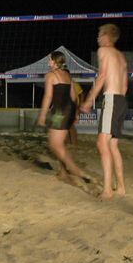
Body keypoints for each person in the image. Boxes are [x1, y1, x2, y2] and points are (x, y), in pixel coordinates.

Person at [80, 23, 129, 200]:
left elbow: (102, 77)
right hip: (122, 100)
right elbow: (125, 84)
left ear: (107, 36)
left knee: (102, 143)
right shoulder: (121, 56)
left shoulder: (104, 51)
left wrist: (88, 100)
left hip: (112, 98)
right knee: (113, 145)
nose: (97, 37)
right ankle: (121, 188)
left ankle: (108, 190)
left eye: (100, 34)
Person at [37, 51, 89, 181]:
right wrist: (75, 113)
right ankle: (63, 172)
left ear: (54, 61)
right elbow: (73, 96)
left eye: (50, 59)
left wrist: (42, 115)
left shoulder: (50, 75)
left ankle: (75, 170)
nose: (48, 61)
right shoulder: (67, 74)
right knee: (60, 144)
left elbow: (48, 96)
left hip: (59, 112)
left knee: (55, 145)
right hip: (69, 110)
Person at [67, 79, 84, 145]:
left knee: (70, 126)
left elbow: (81, 94)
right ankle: (70, 142)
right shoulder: (64, 83)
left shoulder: (74, 84)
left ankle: (74, 143)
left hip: (73, 106)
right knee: (67, 126)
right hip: (67, 106)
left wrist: (80, 105)